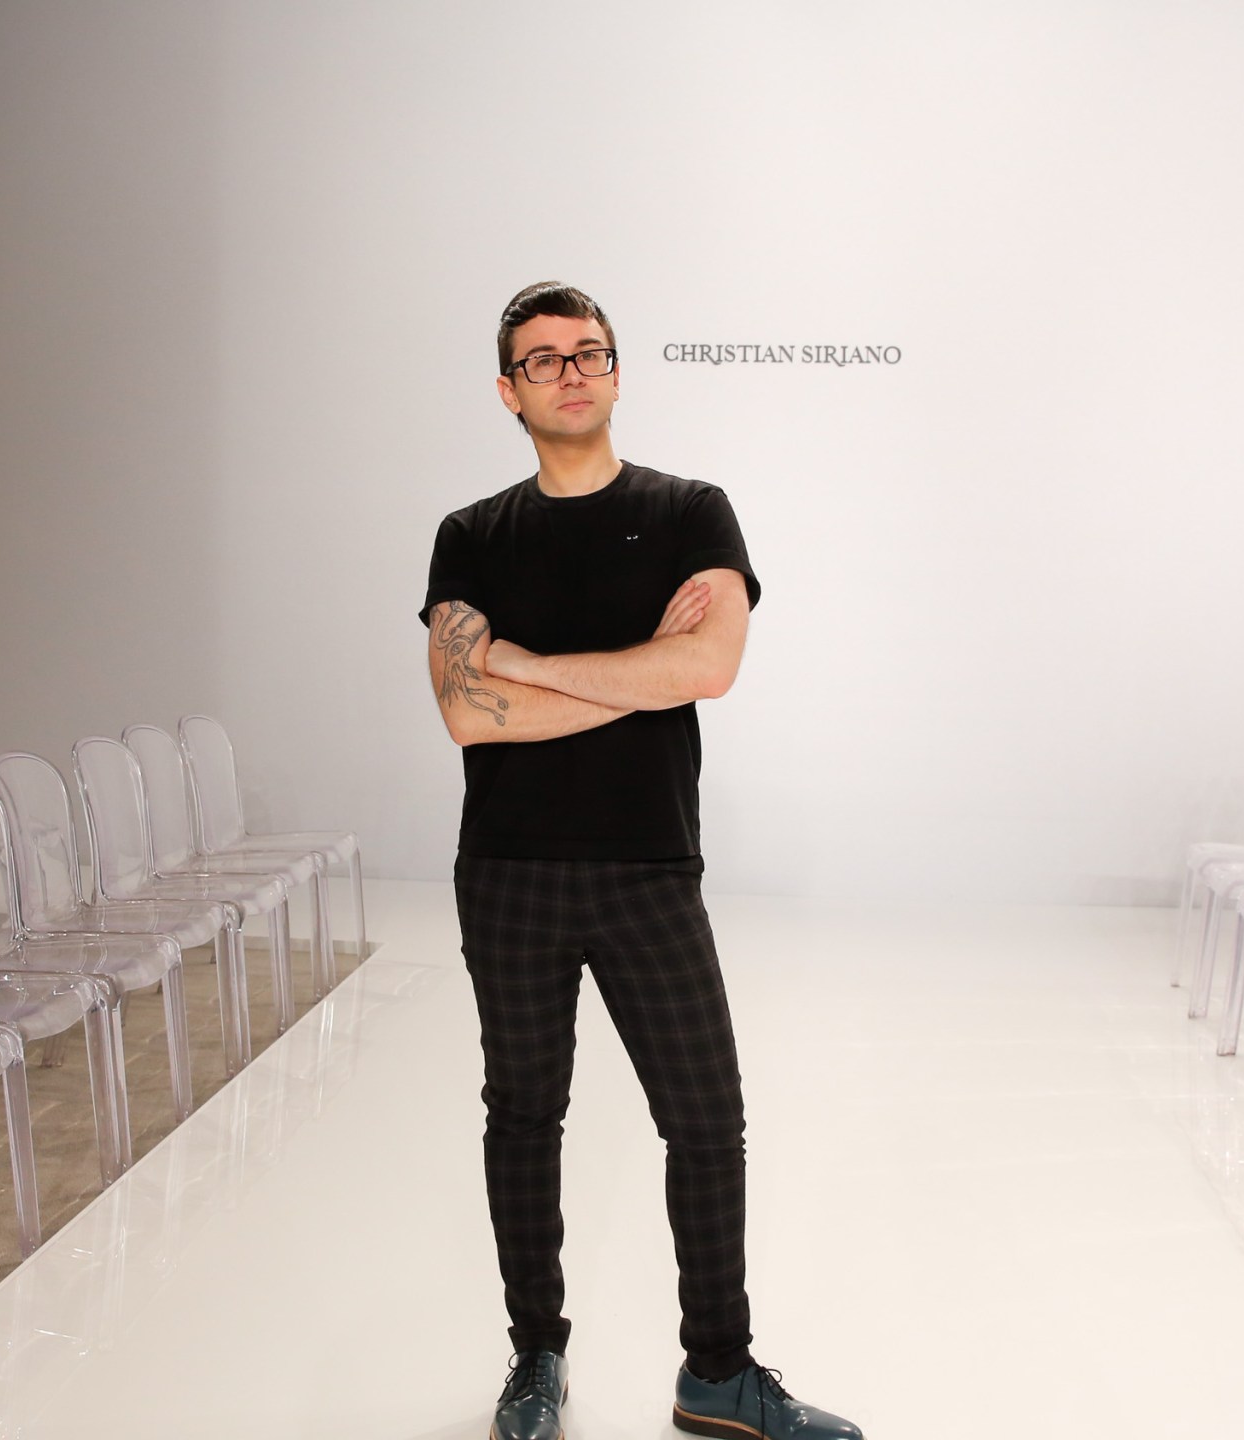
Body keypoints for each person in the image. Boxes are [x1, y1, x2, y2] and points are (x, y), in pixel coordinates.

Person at [422, 282, 864, 1440]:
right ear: (508, 392)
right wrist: (630, 669)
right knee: (525, 1116)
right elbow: (468, 715)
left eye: (589, 353)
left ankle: (716, 1372)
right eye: (543, 358)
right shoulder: (471, 534)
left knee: (706, 1121)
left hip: (649, 867)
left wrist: (527, 660)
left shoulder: (691, 513)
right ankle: (534, 1362)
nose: (570, 370)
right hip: (508, 869)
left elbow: (707, 670)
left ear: (615, 373)